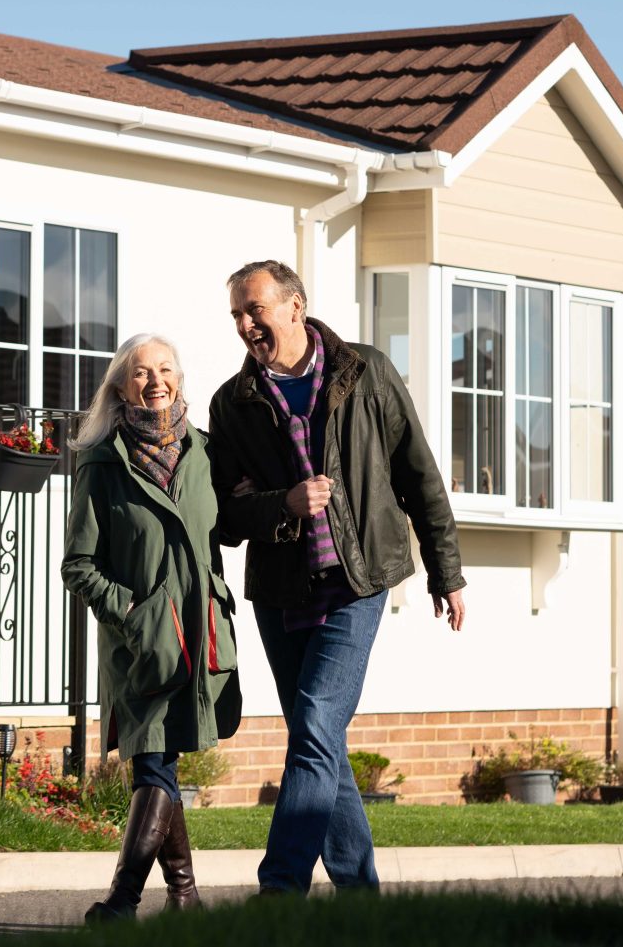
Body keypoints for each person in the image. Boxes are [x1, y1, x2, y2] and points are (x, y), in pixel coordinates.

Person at [207, 260, 465, 895]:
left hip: (359, 580)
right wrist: (282, 504)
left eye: (255, 310)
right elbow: (224, 515)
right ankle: (361, 898)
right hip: (282, 590)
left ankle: (281, 889)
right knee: (318, 738)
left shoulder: (367, 372)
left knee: (318, 723)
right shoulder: (232, 403)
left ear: (296, 306)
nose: (245, 325)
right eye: (237, 314)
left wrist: (446, 569)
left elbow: (417, 472)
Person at [61, 333, 242, 920]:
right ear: (120, 387)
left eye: (166, 369)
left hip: (200, 636)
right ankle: (125, 898)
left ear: (180, 380)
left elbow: (230, 526)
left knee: (160, 764)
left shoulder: (206, 453)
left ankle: (184, 896)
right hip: (141, 648)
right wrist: (132, 615)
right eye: (141, 372)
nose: (155, 381)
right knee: (155, 765)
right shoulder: (101, 463)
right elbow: (78, 565)